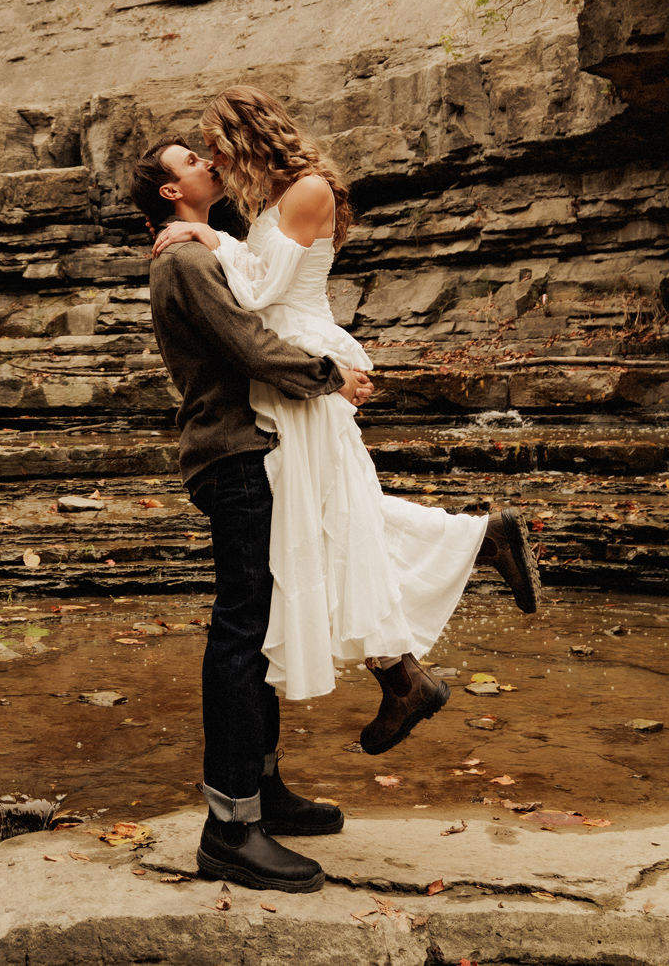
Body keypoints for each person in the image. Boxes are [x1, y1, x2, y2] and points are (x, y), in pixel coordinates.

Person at [150, 88, 540, 757]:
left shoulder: (306, 190)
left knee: (326, 514)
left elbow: (260, 291)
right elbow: (257, 283)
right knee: (329, 513)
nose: (213, 158)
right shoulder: (272, 200)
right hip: (292, 368)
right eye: (200, 153)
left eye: (215, 144)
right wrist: (218, 239)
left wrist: (211, 238)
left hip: (302, 362)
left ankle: (457, 580)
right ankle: (419, 647)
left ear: (246, 134)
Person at [133, 135, 366, 895]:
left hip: (248, 449)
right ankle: (230, 829)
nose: (208, 163)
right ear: (170, 191)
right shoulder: (182, 260)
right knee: (241, 630)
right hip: (233, 455)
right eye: (190, 162)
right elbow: (250, 345)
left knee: (260, 626)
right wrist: (330, 375)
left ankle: (262, 791)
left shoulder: (204, 248)